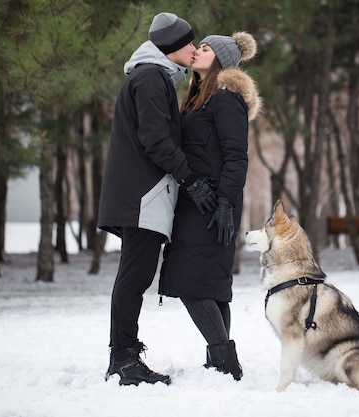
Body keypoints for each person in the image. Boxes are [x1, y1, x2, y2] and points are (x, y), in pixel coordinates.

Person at [98, 12, 218, 386]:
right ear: (170, 47)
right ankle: (124, 360)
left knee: (133, 278)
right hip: (142, 196)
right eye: (189, 43)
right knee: (134, 279)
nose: (194, 49)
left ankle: (123, 356)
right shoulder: (151, 77)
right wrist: (191, 180)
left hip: (143, 194)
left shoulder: (154, 77)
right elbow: (155, 140)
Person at [158, 31, 261, 380]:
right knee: (211, 285)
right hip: (194, 202)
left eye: (204, 48)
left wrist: (224, 204)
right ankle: (220, 363)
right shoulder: (197, 96)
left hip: (214, 202)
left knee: (193, 283)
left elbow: (236, 157)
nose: (196, 51)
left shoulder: (225, 97)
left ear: (219, 58)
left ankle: (225, 361)